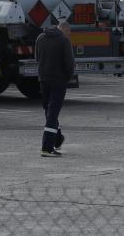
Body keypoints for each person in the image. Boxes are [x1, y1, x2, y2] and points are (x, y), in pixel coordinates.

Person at [35, 21, 74, 157]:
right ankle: (47, 147)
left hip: (43, 79)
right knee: (53, 113)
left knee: (48, 110)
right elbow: (69, 63)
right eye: (69, 32)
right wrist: (68, 77)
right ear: (65, 30)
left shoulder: (40, 38)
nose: (69, 35)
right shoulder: (64, 41)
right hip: (58, 81)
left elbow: (37, 58)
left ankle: (57, 139)